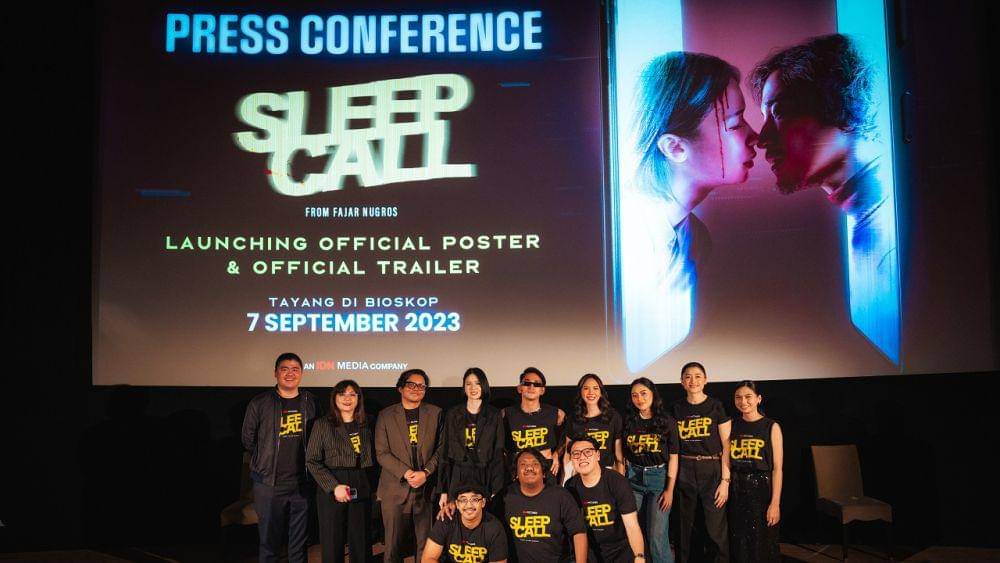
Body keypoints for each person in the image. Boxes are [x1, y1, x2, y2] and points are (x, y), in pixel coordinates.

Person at [750, 33, 900, 363]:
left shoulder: (895, 231)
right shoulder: (863, 218)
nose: (762, 138)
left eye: (780, 111)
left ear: (838, 105)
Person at [620, 51, 758, 371]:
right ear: (675, 147)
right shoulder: (624, 242)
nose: (755, 136)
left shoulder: (696, 239)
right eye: (735, 123)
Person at [241, 352, 318, 563]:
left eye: (295, 369)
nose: (290, 374)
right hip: (269, 484)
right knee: (269, 544)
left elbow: (318, 437)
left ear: (301, 373)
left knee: (299, 545)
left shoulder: (311, 402)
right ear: (275, 373)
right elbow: (248, 439)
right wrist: (264, 459)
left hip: (302, 483)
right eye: (284, 369)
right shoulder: (260, 402)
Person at [375, 369, 444, 563]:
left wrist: (426, 472)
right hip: (394, 489)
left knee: (426, 547)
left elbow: (442, 449)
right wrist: (406, 473)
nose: (417, 389)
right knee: (392, 547)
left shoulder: (436, 413)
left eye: (421, 386)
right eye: (412, 384)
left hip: (426, 489)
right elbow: (381, 452)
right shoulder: (386, 415)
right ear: (400, 388)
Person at [306, 379, 374, 563]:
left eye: (352, 394)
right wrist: (334, 486)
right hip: (332, 482)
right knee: (332, 540)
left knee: (360, 539)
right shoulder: (322, 424)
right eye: (342, 394)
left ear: (359, 398)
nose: (347, 398)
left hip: (360, 481)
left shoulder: (367, 423)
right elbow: (312, 460)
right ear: (334, 398)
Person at [671, 362, 731, 563]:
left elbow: (727, 445)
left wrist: (725, 481)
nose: (693, 380)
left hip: (711, 468)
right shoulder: (676, 408)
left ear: (705, 380)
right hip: (685, 469)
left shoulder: (716, 406)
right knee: (684, 527)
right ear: (682, 382)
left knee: (715, 527)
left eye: (698, 376)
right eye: (688, 376)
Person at [622, 378, 680, 563]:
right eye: (634, 395)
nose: (639, 399)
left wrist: (669, 490)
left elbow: (674, 457)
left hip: (659, 479)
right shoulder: (628, 421)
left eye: (643, 393)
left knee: (657, 534)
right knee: (631, 529)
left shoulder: (666, 421)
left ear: (653, 394)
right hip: (634, 478)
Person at [437, 368, 506, 519]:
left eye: (477, 383)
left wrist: (496, 488)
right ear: (464, 387)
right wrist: (443, 491)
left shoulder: (494, 414)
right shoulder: (453, 414)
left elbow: (498, 452)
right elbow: (445, 453)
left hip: (484, 474)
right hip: (458, 474)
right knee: (457, 518)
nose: (473, 388)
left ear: (484, 385)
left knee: (483, 518)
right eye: (468, 384)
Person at [565, 436, 646, 563]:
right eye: (576, 454)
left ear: (598, 455)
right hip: (591, 552)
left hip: (620, 550)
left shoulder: (617, 482)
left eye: (587, 452)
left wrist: (639, 556)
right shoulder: (570, 486)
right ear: (571, 459)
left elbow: (632, 526)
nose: (582, 457)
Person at [728, 381, 783, 563]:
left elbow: (777, 468)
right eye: (738, 397)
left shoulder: (771, 426)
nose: (743, 401)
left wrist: (775, 503)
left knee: (762, 541)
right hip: (736, 489)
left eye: (748, 397)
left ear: (758, 399)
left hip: (761, 490)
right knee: (739, 541)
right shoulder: (731, 425)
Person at [502, 449, 588, 563]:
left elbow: (579, 532)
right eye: (523, 464)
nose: (529, 468)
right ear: (516, 474)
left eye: (535, 464)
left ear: (543, 473)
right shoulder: (505, 497)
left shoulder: (560, 496)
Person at [503, 367, 566, 480]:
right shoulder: (506, 414)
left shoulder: (557, 414)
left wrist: (557, 454)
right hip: (519, 472)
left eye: (536, 384)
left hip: (547, 470)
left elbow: (567, 438)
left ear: (542, 390)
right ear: (519, 388)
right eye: (527, 383)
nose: (531, 387)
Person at [422, 483, 508, 563]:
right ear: (457, 504)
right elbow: (427, 559)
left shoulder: (494, 528)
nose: (469, 505)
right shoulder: (446, 520)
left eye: (475, 499)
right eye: (463, 500)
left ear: (483, 502)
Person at [563, 374, 625, 479]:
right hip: (580, 472)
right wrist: (567, 478)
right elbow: (568, 453)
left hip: (606, 472)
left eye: (595, 388)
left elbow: (619, 456)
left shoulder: (613, 417)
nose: (591, 392)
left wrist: (620, 480)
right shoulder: (573, 418)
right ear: (580, 392)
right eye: (586, 388)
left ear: (601, 392)